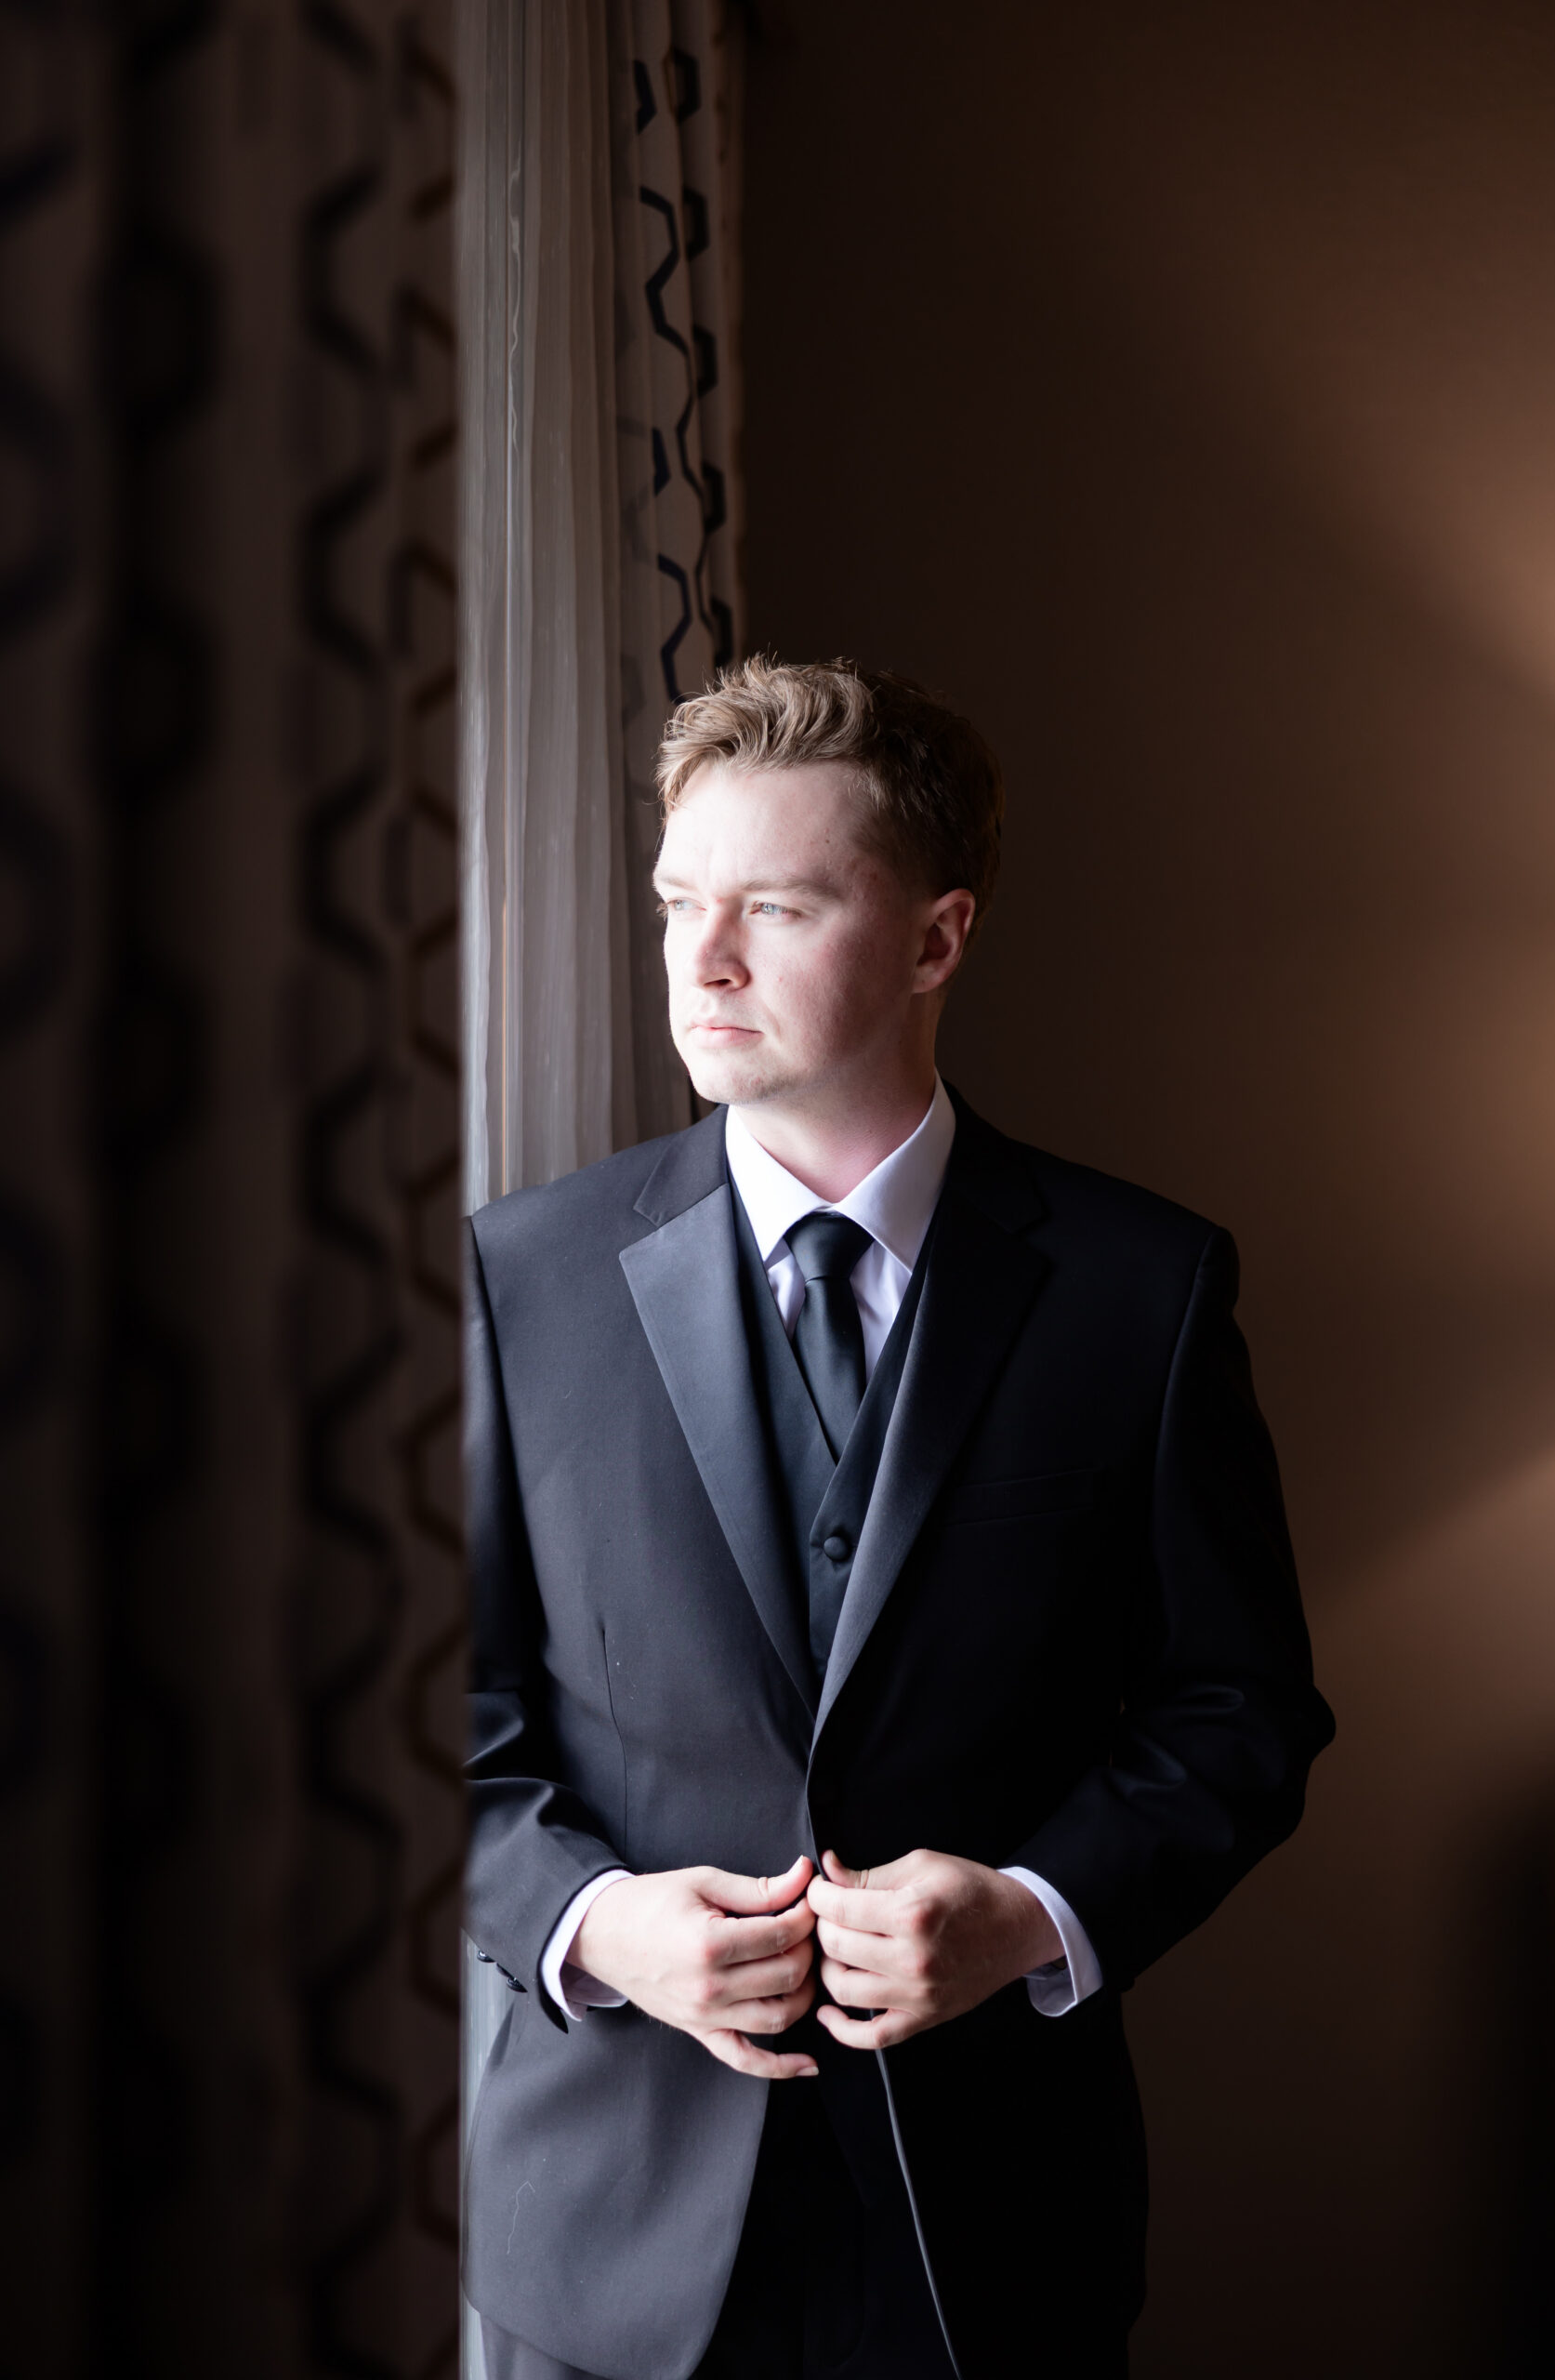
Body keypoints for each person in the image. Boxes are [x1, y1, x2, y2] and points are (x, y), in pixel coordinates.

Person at [463, 658, 1334, 2380]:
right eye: (679, 904)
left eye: (776, 908)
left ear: (937, 940)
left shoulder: (1139, 1287)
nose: (703, 962)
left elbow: (1238, 1709)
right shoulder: (519, 1276)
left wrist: (1030, 1910)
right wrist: (597, 1925)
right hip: (603, 2232)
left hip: (993, 2225)